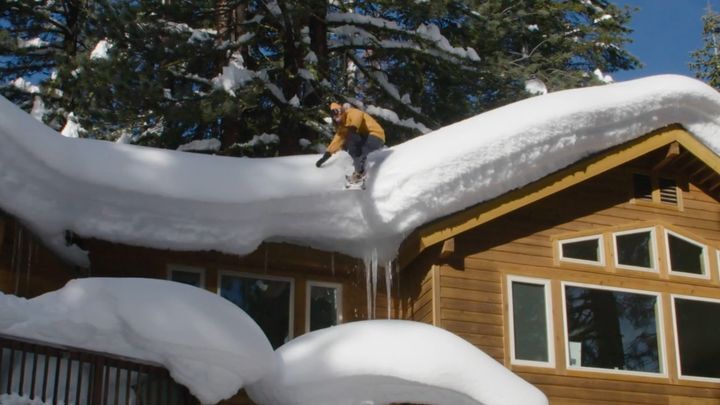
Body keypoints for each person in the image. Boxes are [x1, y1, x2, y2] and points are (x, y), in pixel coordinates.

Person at [315, 102, 385, 182]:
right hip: (366, 137)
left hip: (376, 135)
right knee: (349, 147)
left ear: (341, 110)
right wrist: (326, 155)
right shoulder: (343, 126)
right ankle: (360, 169)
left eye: (338, 113)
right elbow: (337, 140)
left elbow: (358, 116)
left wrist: (353, 128)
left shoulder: (351, 112)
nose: (338, 117)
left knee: (354, 145)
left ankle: (359, 172)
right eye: (335, 116)